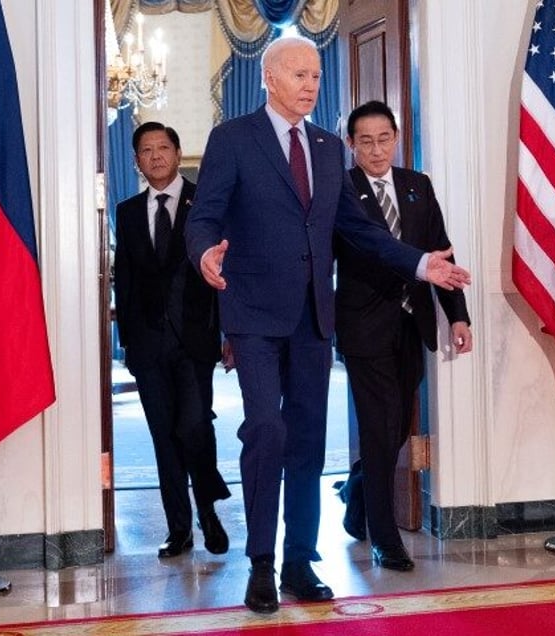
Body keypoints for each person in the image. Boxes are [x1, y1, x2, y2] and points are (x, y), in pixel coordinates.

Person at [185, 36, 471, 614]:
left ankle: (298, 562)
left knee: (310, 443)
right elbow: (205, 213)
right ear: (269, 78)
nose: (312, 84)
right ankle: (260, 564)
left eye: (316, 74)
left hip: (314, 318)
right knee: (267, 431)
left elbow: (358, 229)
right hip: (255, 317)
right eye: (299, 74)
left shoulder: (323, 147)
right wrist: (203, 254)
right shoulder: (232, 139)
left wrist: (419, 262)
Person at [334, 100, 473, 572]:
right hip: (363, 324)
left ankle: (356, 493)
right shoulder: (341, 189)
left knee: (396, 429)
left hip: (412, 325)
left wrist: (458, 315)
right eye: (365, 141)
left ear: (396, 138)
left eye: (384, 139)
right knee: (378, 428)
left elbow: (441, 252)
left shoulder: (417, 186)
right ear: (351, 145)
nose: (376, 150)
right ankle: (384, 536)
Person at [113, 121, 231, 560]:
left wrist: (228, 333)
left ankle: (209, 510)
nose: (156, 156)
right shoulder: (126, 213)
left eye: (163, 147)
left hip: (196, 340)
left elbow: (225, 273)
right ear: (137, 160)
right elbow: (122, 280)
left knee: (195, 425)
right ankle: (178, 529)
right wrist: (127, 343)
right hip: (147, 345)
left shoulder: (206, 205)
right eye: (146, 150)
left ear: (178, 153)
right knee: (164, 437)